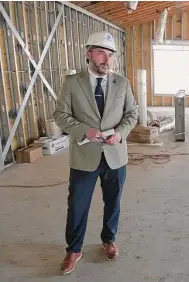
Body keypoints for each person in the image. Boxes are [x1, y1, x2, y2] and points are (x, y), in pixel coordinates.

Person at [53, 31, 138, 274]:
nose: (106, 59)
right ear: (88, 53)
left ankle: (108, 240)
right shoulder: (72, 82)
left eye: (110, 54)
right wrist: (83, 130)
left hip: (115, 155)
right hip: (84, 155)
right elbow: (60, 115)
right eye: (101, 52)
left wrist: (121, 133)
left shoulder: (121, 82)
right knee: (78, 204)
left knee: (113, 201)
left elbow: (132, 113)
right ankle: (74, 249)